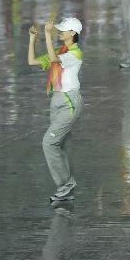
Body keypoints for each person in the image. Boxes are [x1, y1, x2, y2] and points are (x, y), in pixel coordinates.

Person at [27, 17, 84, 203]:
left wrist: (46, 34)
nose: (59, 32)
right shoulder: (61, 51)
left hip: (69, 102)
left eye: (63, 30)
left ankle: (66, 184)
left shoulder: (75, 54)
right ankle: (68, 187)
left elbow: (53, 59)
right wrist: (32, 39)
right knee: (61, 144)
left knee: (49, 142)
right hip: (56, 100)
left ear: (73, 33)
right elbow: (32, 61)